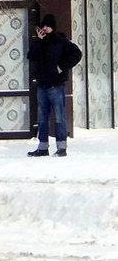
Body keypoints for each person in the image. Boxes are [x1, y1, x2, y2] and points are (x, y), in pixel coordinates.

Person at [26, 14, 81, 157]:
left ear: (53, 27)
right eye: (43, 26)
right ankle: (42, 147)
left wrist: (62, 67)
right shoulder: (40, 42)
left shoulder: (61, 42)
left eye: (48, 26)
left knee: (59, 117)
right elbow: (31, 56)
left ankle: (61, 148)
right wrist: (38, 40)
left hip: (56, 86)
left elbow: (77, 53)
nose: (45, 29)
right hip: (42, 85)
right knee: (42, 118)